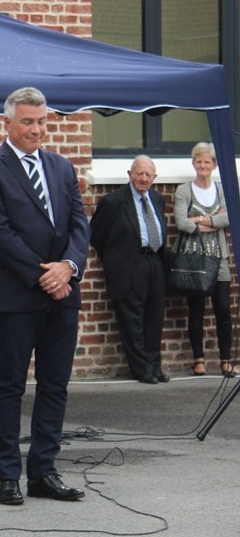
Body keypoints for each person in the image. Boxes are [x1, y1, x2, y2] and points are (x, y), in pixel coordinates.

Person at [0, 87, 90, 506]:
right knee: (10, 386)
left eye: (42, 121)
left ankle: (44, 471)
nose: (37, 129)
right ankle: (7, 476)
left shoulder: (62, 167)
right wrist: (43, 274)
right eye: (28, 122)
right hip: (17, 295)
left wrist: (68, 268)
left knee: (55, 385)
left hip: (63, 294)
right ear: (8, 123)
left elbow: (79, 225)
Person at [91, 155, 168, 385]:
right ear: (129, 174)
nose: (143, 178)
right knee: (132, 320)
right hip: (127, 266)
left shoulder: (157, 199)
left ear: (154, 178)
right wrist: (116, 259)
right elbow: (97, 236)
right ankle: (141, 369)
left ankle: (155, 366)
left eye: (148, 174)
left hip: (154, 262)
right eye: (139, 173)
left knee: (154, 318)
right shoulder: (114, 201)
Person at [174, 142, 234, 377]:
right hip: (194, 260)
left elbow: (228, 219)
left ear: (214, 165)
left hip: (219, 259)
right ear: (193, 163)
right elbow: (182, 223)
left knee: (222, 310)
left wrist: (198, 219)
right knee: (196, 310)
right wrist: (211, 220)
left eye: (207, 161)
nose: (202, 165)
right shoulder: (184, 190)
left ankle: (225, 359)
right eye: (198, 161)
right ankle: (198, 359)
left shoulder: (222, 189)